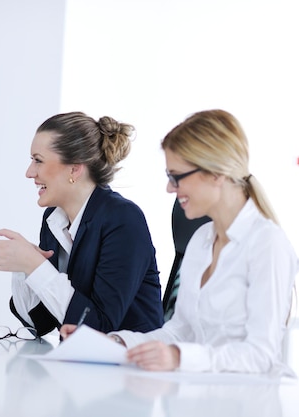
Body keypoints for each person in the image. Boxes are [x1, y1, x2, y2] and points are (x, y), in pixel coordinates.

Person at [61, 109, 298, 375]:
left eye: (176, 176)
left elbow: (260, 355)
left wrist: (178, 357)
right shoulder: (201, 241)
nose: (170, 189)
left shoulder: (267, 244)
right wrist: (114, 342)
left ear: (216, 173)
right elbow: (179, 331)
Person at [0, 112, 164, 336]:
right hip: (81, 364)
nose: (29, 172)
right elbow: (40, 324)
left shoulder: (123, 219)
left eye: (38, 160)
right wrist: (24, 268)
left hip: (131, 365)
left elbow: (99, 329)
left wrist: (35, 267)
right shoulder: (55, 218)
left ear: (74, 169)